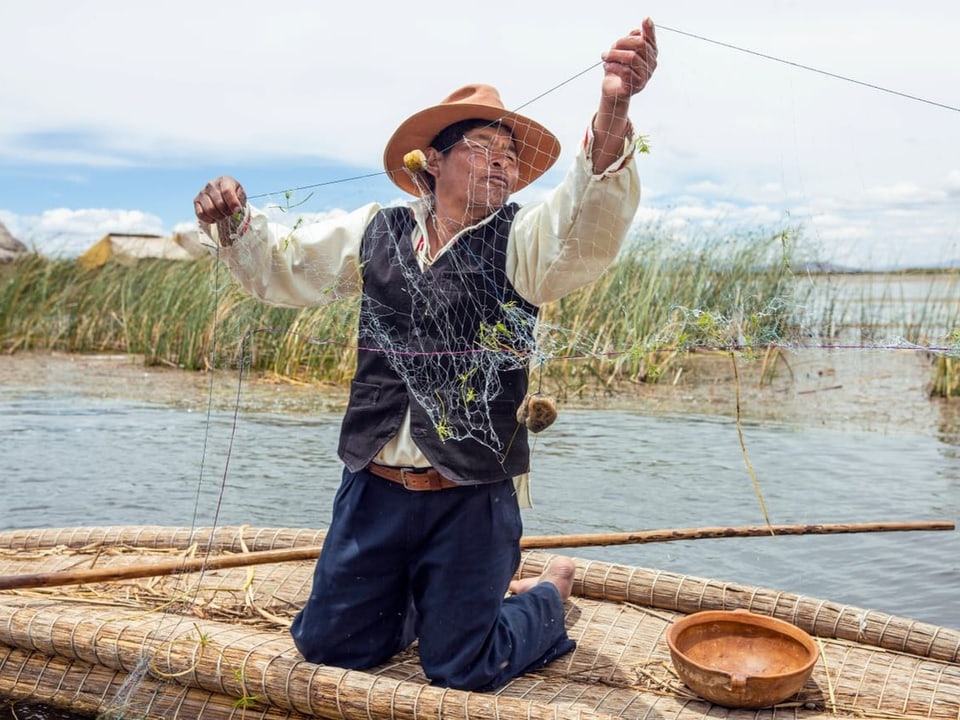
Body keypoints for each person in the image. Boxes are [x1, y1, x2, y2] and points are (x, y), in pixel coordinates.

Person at [193, 19, 658, 691]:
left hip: (470, 496)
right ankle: (428, 595)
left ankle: (547, 596)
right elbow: (279, 266)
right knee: (328, 648)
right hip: (374, 491)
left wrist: (615, 107)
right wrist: (230, 220)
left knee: (461, 667)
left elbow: (583, 228)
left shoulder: (524, 242)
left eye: (510, 153)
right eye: (483, 146)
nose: (503, 161)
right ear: (432, 163)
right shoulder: (374, 231)